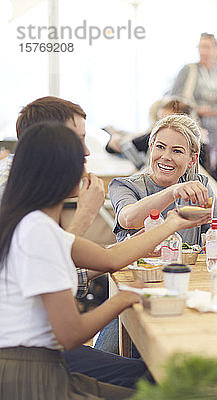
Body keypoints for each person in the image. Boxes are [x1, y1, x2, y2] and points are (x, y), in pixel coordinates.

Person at [0, 122, 199, 398]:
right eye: (79, 157)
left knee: (154, 376)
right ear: (59, 171)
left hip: (41, 365)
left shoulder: (33, 223)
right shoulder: (38, 232)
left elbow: (110, 258)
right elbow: (70, 334)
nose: (87, 162)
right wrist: (123, 298)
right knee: (161, 384)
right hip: (33, 378)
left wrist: (173, 222)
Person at [0, 96, 148, 389]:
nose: (85, 152)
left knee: (145, 372)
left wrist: (171, 223)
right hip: (30, 360)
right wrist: (85, 215)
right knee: (151, 378)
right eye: (76, 141)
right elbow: (55, 261)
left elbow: (97, 260)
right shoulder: (25, 211)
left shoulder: (29, 203)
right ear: (53, 148)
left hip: (36, 352)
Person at [109, 113, 217, 250]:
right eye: (160, 147)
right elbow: (128, 220)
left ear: (192, 160)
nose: (166, 157)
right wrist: (173, 191)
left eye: (177, 151)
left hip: (186, 270)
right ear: (151, 147)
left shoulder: (198, 186)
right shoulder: (125, 186)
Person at [169, 33, 217, 185]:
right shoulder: (189, 70)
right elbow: (176, 101)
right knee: (201, 176)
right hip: (198, 131)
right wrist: (199, 110)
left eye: (208, 47)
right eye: (201, 47)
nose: (204, 51)